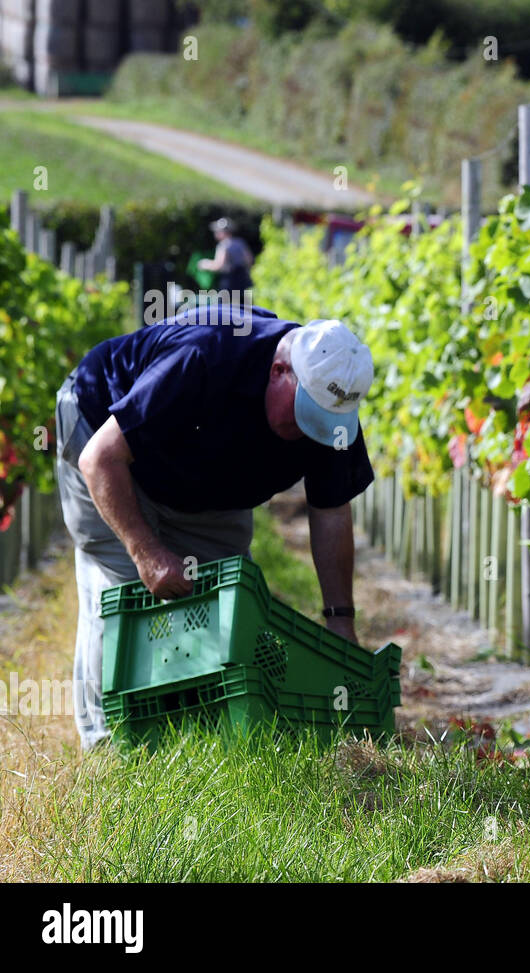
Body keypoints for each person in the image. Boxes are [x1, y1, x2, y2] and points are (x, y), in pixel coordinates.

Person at [55, 305, 375, 750]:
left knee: (226, 604)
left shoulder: (332, 410)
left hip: (204, 477)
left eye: (323, 423)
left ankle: (203, 738)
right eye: (305, 413)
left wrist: (340, 619)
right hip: (104, 441)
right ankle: (111, 748)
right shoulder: (205, 356)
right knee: (124, 597)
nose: (309, 431)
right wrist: (147, 553)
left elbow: (331, 510)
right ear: (279, 370)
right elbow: (100, 459)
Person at [197, 217, 254, 292]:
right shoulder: (240, 242)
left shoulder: (223, 245)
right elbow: (249, 260)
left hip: (230, 283)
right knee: (245, 303)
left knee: (227, 303)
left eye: (217, 231)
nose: (215, 233)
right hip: (244, 282)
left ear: (223, 232)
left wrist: (205, 264)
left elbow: (219, 265)